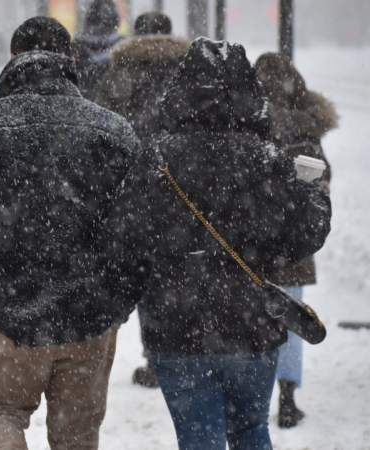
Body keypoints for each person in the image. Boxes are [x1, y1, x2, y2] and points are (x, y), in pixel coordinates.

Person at [104, 39, 332, 450]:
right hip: (251, 325)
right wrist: (314, 191)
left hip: (176, 327)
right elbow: (304, 237)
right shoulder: (266, 159)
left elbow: (124, 237)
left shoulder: (157, 159)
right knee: (250, 430)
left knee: (198, 439)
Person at [0, 17, 138, 450]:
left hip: (5, 316)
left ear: (13, 59)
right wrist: (117, 306)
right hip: (89, 316)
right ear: (70, 60)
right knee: (77, 436)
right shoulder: (114, 131)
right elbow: (137, 233)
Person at [95, 12, 190, 388]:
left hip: (134, 192)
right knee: (180, 272)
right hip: (183, 189)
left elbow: (104, 131)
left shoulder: (119, 73)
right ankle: (184, 349)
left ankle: (156, 357)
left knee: (145, 275)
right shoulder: (189, 71)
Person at [255, 52, 339, 429]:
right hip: (295, 247)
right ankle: (288, 397)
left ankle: (256, 393)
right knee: (293, 319)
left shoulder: (248, 119)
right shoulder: (306, 127)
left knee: (255, 316)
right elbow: (323, 178)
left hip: (254, 243)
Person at [73, 0, 124, 100]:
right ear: (115, 19)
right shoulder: (122, 45)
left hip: (84, 102)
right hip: (113, 102)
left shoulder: (77, 44)